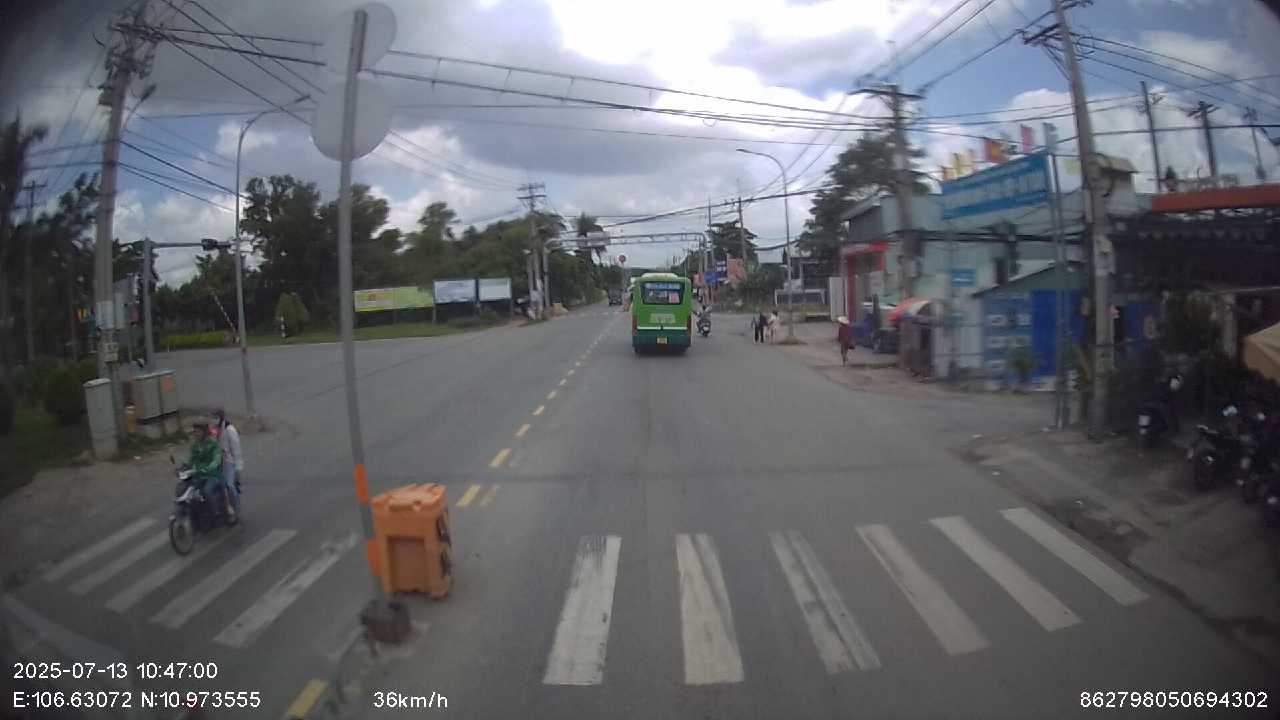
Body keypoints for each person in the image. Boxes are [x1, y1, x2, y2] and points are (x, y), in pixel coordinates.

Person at [184, 419, 228, 517]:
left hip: (212, 475)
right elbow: (191, 459)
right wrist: (184, 466)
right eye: (195, 431)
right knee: (188, 491)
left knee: (207, 491)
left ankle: (215, 512)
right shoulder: (195, 445)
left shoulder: (213, 443)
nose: (196, 434)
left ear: (205, 431)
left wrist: (209, 468)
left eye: (199, 431)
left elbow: (216, 459)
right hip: (198, 474)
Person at [213, 409, 242, 518]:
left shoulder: (230, 430)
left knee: (229, 485)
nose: (214, 420)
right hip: (216, 462)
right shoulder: (213, 430)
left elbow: (236, 451)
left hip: (229, 462)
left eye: (216, 418)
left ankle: (235, 508)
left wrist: (238, 468)